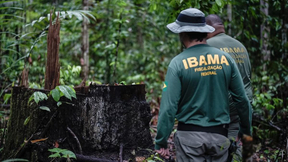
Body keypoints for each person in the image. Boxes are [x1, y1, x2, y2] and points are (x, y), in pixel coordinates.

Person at [154, 8, 252, 162]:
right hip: (221, 137)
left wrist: (161, 141)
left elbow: (168, 108)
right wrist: (245, 130)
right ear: (205, 32)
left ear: (182, 33)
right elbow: (242, 99)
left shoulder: (177, 63)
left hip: (189, 140)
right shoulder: (226, 59)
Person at [206, 14, 253, 161]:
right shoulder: (240, 46)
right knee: (237, 146)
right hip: (242, 107)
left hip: (220, 109)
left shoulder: (207, 47)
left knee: (217, 151)